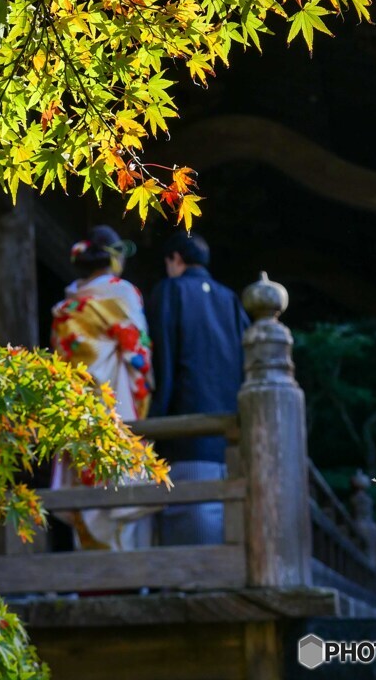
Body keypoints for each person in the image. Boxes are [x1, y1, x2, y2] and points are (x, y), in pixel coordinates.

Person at [50, 225, 154, 551]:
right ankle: (125, 580)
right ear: (112, 259)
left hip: (75, 403)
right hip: (115, 397)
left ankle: (88, 580)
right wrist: (145, 390)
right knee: (118, 477)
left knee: (85, 478)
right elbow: (138, 354)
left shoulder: (65, 308)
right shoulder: (121, 294)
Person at [147, 231, 249, 545]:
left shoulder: (170, 290)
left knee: (190, 527)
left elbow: (161, 359)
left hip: (184, 433)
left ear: (175, 259)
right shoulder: (230, 299)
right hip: (229, 436)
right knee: (224, 523)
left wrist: (153, 423)